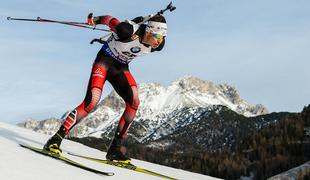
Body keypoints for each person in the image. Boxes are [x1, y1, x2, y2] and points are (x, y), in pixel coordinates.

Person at [43, 13, 167, 162]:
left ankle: (114, 150)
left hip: (120, 69)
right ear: (148, 30)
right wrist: (94, 20)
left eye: (162, 37)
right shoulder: (127, 30)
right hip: (104, 63)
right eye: (157, 36)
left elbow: (155, 42)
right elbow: (109, 19)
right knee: (92, 101)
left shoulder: (158, 46)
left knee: (134, 102)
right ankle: (55, 140)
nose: (159, 41)